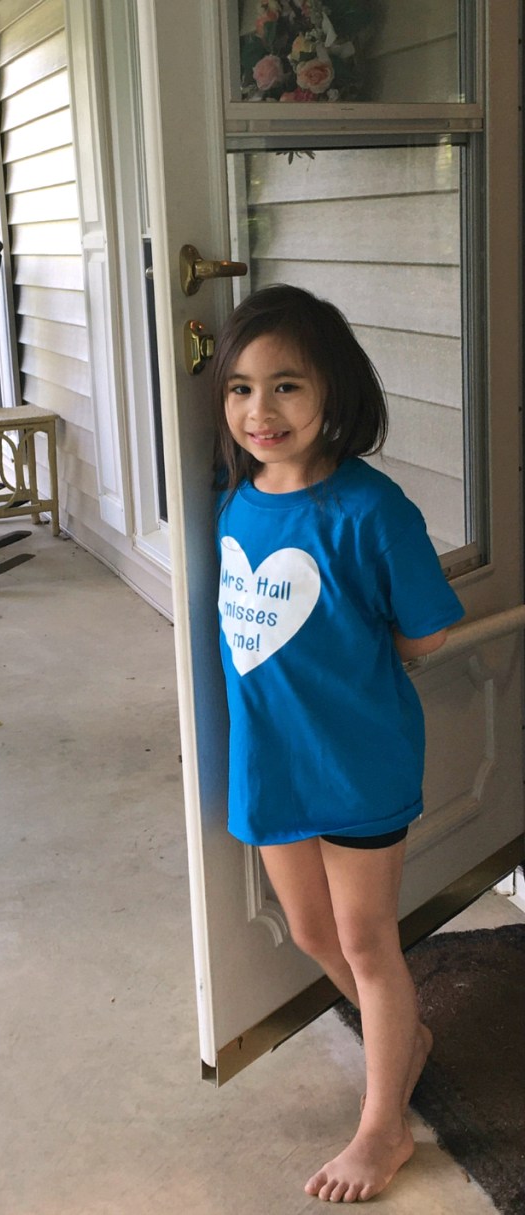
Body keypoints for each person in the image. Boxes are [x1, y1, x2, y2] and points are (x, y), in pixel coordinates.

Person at [210, 285, 464, 1202]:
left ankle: (383, 1123)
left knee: (367, 944)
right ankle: (410, 1046)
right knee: (312, 930)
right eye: (241, 388)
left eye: (286, 386)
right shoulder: (237, 504)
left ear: (334, 392)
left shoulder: (372, 509)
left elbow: (427, 632)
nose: (260, 411)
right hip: (270, 763)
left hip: (357, 763)